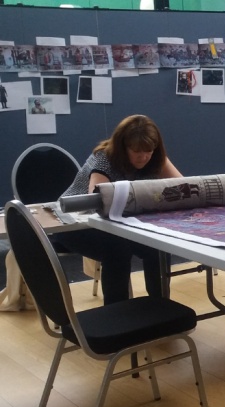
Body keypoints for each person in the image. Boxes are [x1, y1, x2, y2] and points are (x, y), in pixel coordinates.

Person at [57, 115, 182, 305]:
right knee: (117, 251)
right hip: (75, 223)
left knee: (158, 246)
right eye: (136, 151)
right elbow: (98, 205)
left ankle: (160, 305)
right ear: (123, 147)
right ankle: (117, 313)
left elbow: (182, 188)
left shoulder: (155, 158)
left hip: (123, 223)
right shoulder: (104, 159)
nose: (144, 157)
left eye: (149, 151)